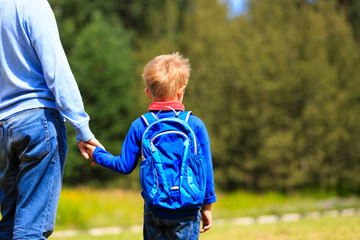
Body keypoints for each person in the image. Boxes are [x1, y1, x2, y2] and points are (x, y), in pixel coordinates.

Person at [81, 52, 217, 240]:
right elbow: (206, 169)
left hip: (155, 210)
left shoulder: (140, 125)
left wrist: (98, 154)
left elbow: (124, 166)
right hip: (187, 210)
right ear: (181, 90)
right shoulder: (195, 125)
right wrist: (207, 206)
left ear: (147, 92)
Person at [0, 0, 102, 239]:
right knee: (31, 229)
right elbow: (55, 68)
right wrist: (82, 127)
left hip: (3, 127)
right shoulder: (33, 4)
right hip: (38, 121)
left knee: (9, 224)